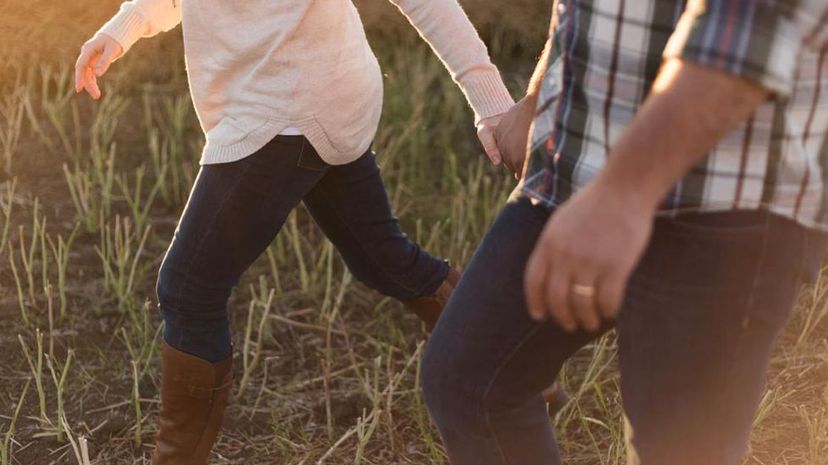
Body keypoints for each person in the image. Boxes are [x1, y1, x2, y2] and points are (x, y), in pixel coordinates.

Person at [74, 1, 516, 463]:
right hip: (314, 91)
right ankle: (521, 374)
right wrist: (122, 28)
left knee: (188, 290)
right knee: (383, 261)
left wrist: (491, 104)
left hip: (288, 106)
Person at [421, 0, 828, 464]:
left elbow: (744, 37)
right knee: (470, 383)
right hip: (578, 165)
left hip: (724, 197)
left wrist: (623, 194)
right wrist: (542, 90)